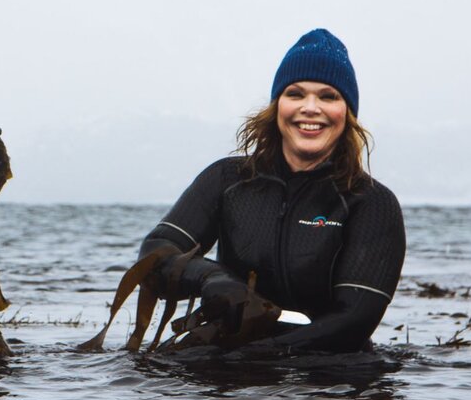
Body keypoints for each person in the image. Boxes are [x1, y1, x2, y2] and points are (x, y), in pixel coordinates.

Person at [140, 29, 405, 353]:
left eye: (328, 96)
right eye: (295, 94)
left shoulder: (371, 203)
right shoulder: (227, 180)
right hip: (229, 365)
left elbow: (354, 320)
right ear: (277, 105)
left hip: (328, 371)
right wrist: (210, 278)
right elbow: (156, 253)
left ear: (347, 112)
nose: (310, 107)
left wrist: (260, 356)